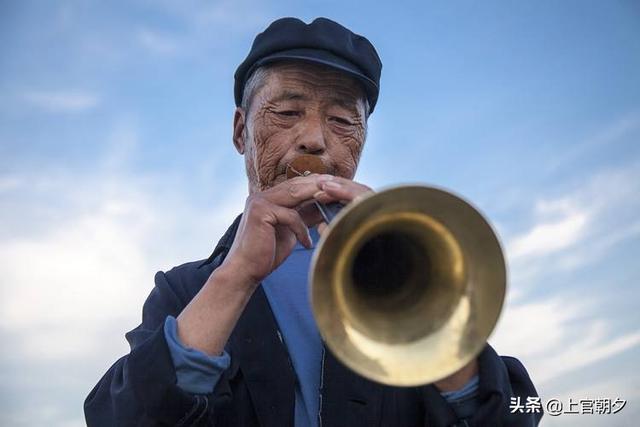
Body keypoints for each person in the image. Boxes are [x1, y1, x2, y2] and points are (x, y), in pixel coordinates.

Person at [85, 17, 542, 426]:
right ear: (241, 131)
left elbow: (511, 417)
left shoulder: (414, 276)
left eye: (342, 120)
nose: (315, 139)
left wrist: (409, 283)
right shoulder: (185, 290)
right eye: (287, 113)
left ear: (362, 140)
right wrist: (235, 277)